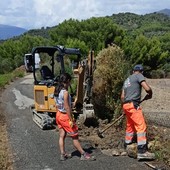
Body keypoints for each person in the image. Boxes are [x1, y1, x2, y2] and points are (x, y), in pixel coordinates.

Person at [54, 72, 95, 161]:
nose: (70, 84)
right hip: (65, 116)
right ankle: (83, 154)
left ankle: (62, 154)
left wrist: (71, 104)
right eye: (70, 82)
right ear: (67, 81)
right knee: (74, 136)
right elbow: (67, 107)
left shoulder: (56, 90)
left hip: (58, 115)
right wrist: (71, 119)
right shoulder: (65, 93)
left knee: (62, 135)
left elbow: (59, 104)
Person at [121, 64, 155, 160]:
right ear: (142, 72)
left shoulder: (127, 80)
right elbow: (147, 88)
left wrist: (126, 108)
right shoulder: (139, 75)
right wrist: (150, 94)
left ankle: (127, 145)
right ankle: (142, 151)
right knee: (141, 126)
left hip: (126, 105)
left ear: (133, 71)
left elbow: (122, 97)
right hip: (133, 105)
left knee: (130, 126)